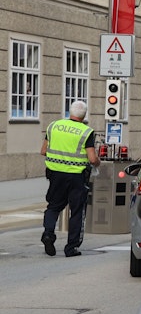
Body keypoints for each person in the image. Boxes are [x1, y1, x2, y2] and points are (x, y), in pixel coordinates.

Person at [40, 100, 100, 257]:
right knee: (77, 211)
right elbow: (92, 159)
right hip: (76, 177)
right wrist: (98, 162)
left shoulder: (54, 126)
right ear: (84, 115)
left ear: (70, 112)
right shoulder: (86, 132)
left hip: (55, 174)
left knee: (53, 206)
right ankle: (71, 248)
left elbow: (43, 150)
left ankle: (48, 233)